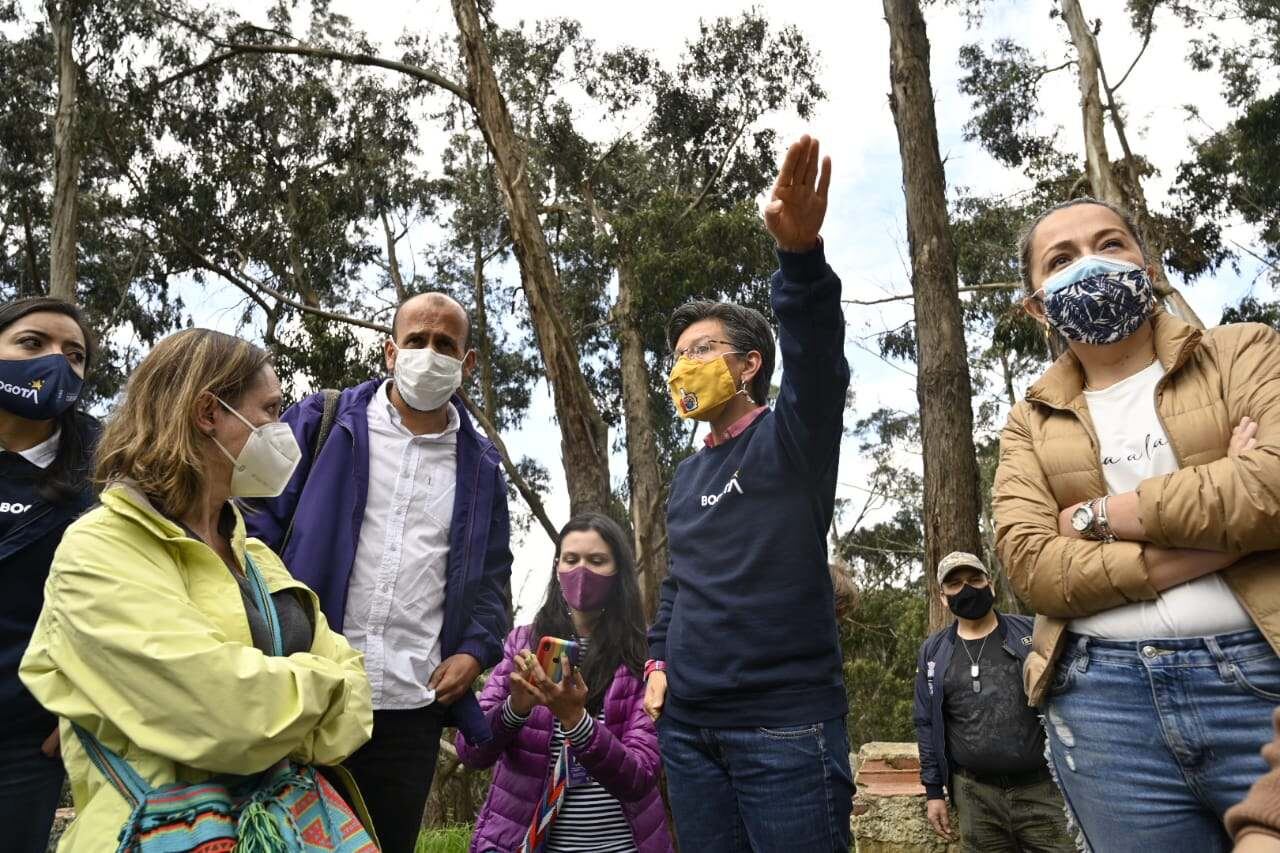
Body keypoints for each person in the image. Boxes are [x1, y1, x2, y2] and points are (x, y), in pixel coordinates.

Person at [993, 196, 1280, 852]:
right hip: (1101, 706)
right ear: (1037, 305)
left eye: (1110, 244)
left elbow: (1271, 486)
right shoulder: (1029, 420)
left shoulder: (1243, 351)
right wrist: (1223, 540)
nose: (1090, 264)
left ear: (1147, 268)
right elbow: (1033, 567)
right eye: (1061, 259)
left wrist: (1095, 516)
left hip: (1260, 679)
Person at [18, 328, 372, 851]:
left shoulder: (257, 556)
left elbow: (358, 705)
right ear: (208, 412)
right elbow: (226, 715)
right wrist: (326, 688)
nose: (283, 431)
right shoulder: (98, 549)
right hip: (152, 833)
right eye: (270, 410)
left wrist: (288, 704)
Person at [643, 134, 854, 852]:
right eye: (677, 357)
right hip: (689, 733)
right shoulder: (686, 474)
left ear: (749, 364)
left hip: (785, 727)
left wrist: (800, 259)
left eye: (702, 350)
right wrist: (658, 662)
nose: (683, 367)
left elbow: (819, 360)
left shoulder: (792, 436)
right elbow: (679, 583)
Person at [245, 291, 513, 853]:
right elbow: (251, 527)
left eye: (445, 344)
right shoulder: (321, 422)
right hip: (304, 690)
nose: (429, 354)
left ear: (467, 363)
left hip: (409, 706)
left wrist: (474, 650)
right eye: (417, 340)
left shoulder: (483, 467)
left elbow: (492, 581)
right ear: (391, 352)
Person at [457, 513, 671, 853]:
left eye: (596, 561)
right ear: (557, 567)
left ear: (618, 572)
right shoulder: (523, 645)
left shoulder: (642, 655)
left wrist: (575, 720)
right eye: (571, 559)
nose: (581, 571)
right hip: (529, 842)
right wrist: (514, 709)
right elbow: (471, 751)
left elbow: (640, 776)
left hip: (621, 845)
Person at [0, 298, 99, 853]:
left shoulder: (108, 472)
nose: (57, 362)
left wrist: (84, 703)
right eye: (32, 343)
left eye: (74, 354)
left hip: (23, 738)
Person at [913, 551, 1074, 852]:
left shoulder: (1030, 633)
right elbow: (926, 721)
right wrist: (933, 791)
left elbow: (1070, 698)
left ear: (991, 584)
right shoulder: (934, 651)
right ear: (943, 598)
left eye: (975, 579)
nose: (967, 589)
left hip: (1043, 788)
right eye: (955, 584)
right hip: (974, 796)